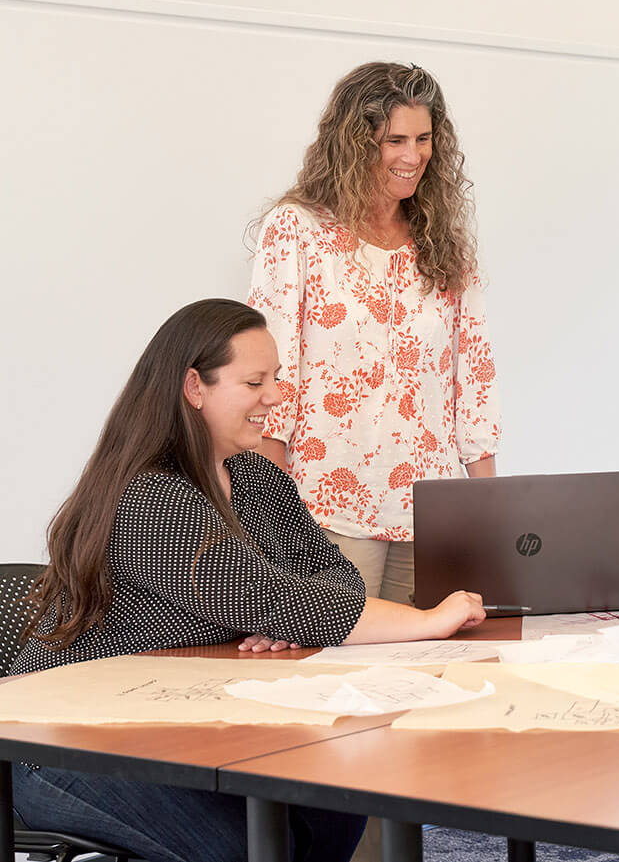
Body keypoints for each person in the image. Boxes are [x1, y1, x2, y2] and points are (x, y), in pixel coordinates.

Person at [10, 298, 486, 862]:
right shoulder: (147, 498)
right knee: (252, 847)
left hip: (183, 721)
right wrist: (428, 622)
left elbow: (331, 578)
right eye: (255, 381)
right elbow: (273, 598)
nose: (277, 397)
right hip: (70, 744)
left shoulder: (257, 476)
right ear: (195, 387)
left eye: (278, 378)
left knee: (338, 791)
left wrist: (287, 619)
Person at [248, 62, 501, 605]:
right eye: (395, 140)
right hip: (324, 507)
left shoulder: (445, 245)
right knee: (328, 672)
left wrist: (490, 518)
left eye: (424, 138)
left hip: (434, 512)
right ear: (355, 143)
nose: (413, 156)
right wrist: (271, 522)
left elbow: (474, 385)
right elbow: (272, 380)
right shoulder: (299, 230)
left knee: (428, 670)